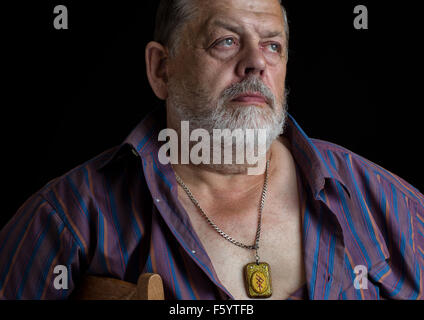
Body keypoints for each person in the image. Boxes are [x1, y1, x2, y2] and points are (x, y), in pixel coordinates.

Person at [1, 0, 423, 300]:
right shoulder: (68, 219)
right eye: (225, 41)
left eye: (272, 45)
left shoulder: (391, 205)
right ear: (160, 69)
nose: (256, 62)